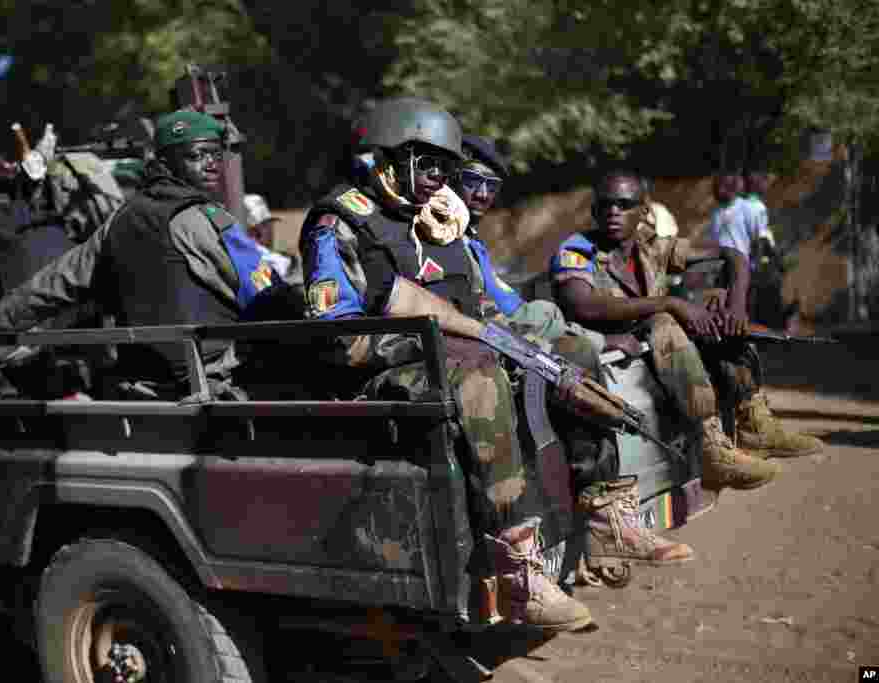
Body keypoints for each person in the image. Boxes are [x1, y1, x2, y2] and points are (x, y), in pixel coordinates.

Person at [302, 97, 622, 632]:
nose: (439, 179)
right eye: (428, 165)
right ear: (389, 156)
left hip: (454, 351)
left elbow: (479, 305)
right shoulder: (340, 222)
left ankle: (603, 506)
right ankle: (519, 568)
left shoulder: (436, 221)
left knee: (568, 352)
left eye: (447, 168)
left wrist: (512, 336)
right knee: (476, 370)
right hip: (381, 375)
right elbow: (341, 342)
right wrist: (440, 339)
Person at [457, 135, 693, 584]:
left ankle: (606, 520)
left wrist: (577, 338)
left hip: (498, 346)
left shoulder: (469, 244)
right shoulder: (425, 234)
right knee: (569, 359)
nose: (482, 194)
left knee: (575, 359)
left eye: (491, 184)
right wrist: (578, 336)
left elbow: (510, 305)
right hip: (468, 358)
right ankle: (542, 549)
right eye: (471, 180)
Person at [0, 110, 288, 395]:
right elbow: (271, 296)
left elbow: (52, 286)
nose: (212, 164)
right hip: (213, 382)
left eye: (216, 154)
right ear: (165, 162)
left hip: (143, 385)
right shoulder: (206, 220)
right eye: (197, 155)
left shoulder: (119, 220)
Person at [551, 170, 823, 485]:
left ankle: (754, 423)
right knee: (665, 318)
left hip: (655, 348)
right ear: (595, 211)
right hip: (606, 347)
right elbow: (582, 304)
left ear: (644, 211)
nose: (614, 212)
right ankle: (709, 447)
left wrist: (734, 304)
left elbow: (732, 255)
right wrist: (670, 303)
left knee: (714, 311)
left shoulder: (650, 246)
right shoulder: (577, 250)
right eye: (606, 205)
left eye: (625, 204)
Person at [242, 193, 301, 285]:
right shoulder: (272, 260)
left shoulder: (235, 255)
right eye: (267, 225)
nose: (272, 230)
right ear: (257, 230)